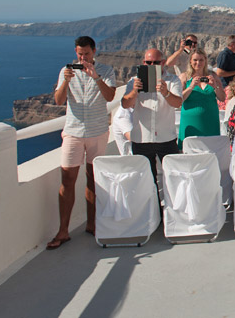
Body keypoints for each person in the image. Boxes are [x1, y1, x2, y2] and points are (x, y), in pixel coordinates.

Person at [47, 36, 116, 250]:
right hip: (74, 132)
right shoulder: (65, 71)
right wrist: (66, 80)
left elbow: (110, 96)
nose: (82, 57)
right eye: (79, 53)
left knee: (93, 179)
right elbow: (59, 101)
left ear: (94, 51)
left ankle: (92, 224)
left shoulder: (106, 70)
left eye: (86, 53)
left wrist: (95, 77)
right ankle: (63, 230)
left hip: (97, 131)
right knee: (67, 179)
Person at [121, 49, 182, 187]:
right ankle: (154, 209)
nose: (152, 65)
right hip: (142, 139)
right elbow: (125, 104)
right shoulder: (133, 81)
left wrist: (166, 93)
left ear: (163, 62)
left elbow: (178, 103)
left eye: (156, 62)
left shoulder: (172, 80)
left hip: (166, 138)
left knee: (174, 179)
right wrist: (134, 91)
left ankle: (173, 208)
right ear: (143, 63)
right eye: (149, 62)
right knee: (146, 182)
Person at [179, 48, 225, 148]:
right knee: (190, 149)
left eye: (201, 60)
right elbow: (179, 99)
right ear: (190, 61)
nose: (198, 63)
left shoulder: (213, 75)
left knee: (211, 149)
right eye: (195, 60)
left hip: (210, 120)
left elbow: (222, 98)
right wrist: (191, 86)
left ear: (205, 61)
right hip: (191, 120)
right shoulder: (184, 77)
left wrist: (215, 86)